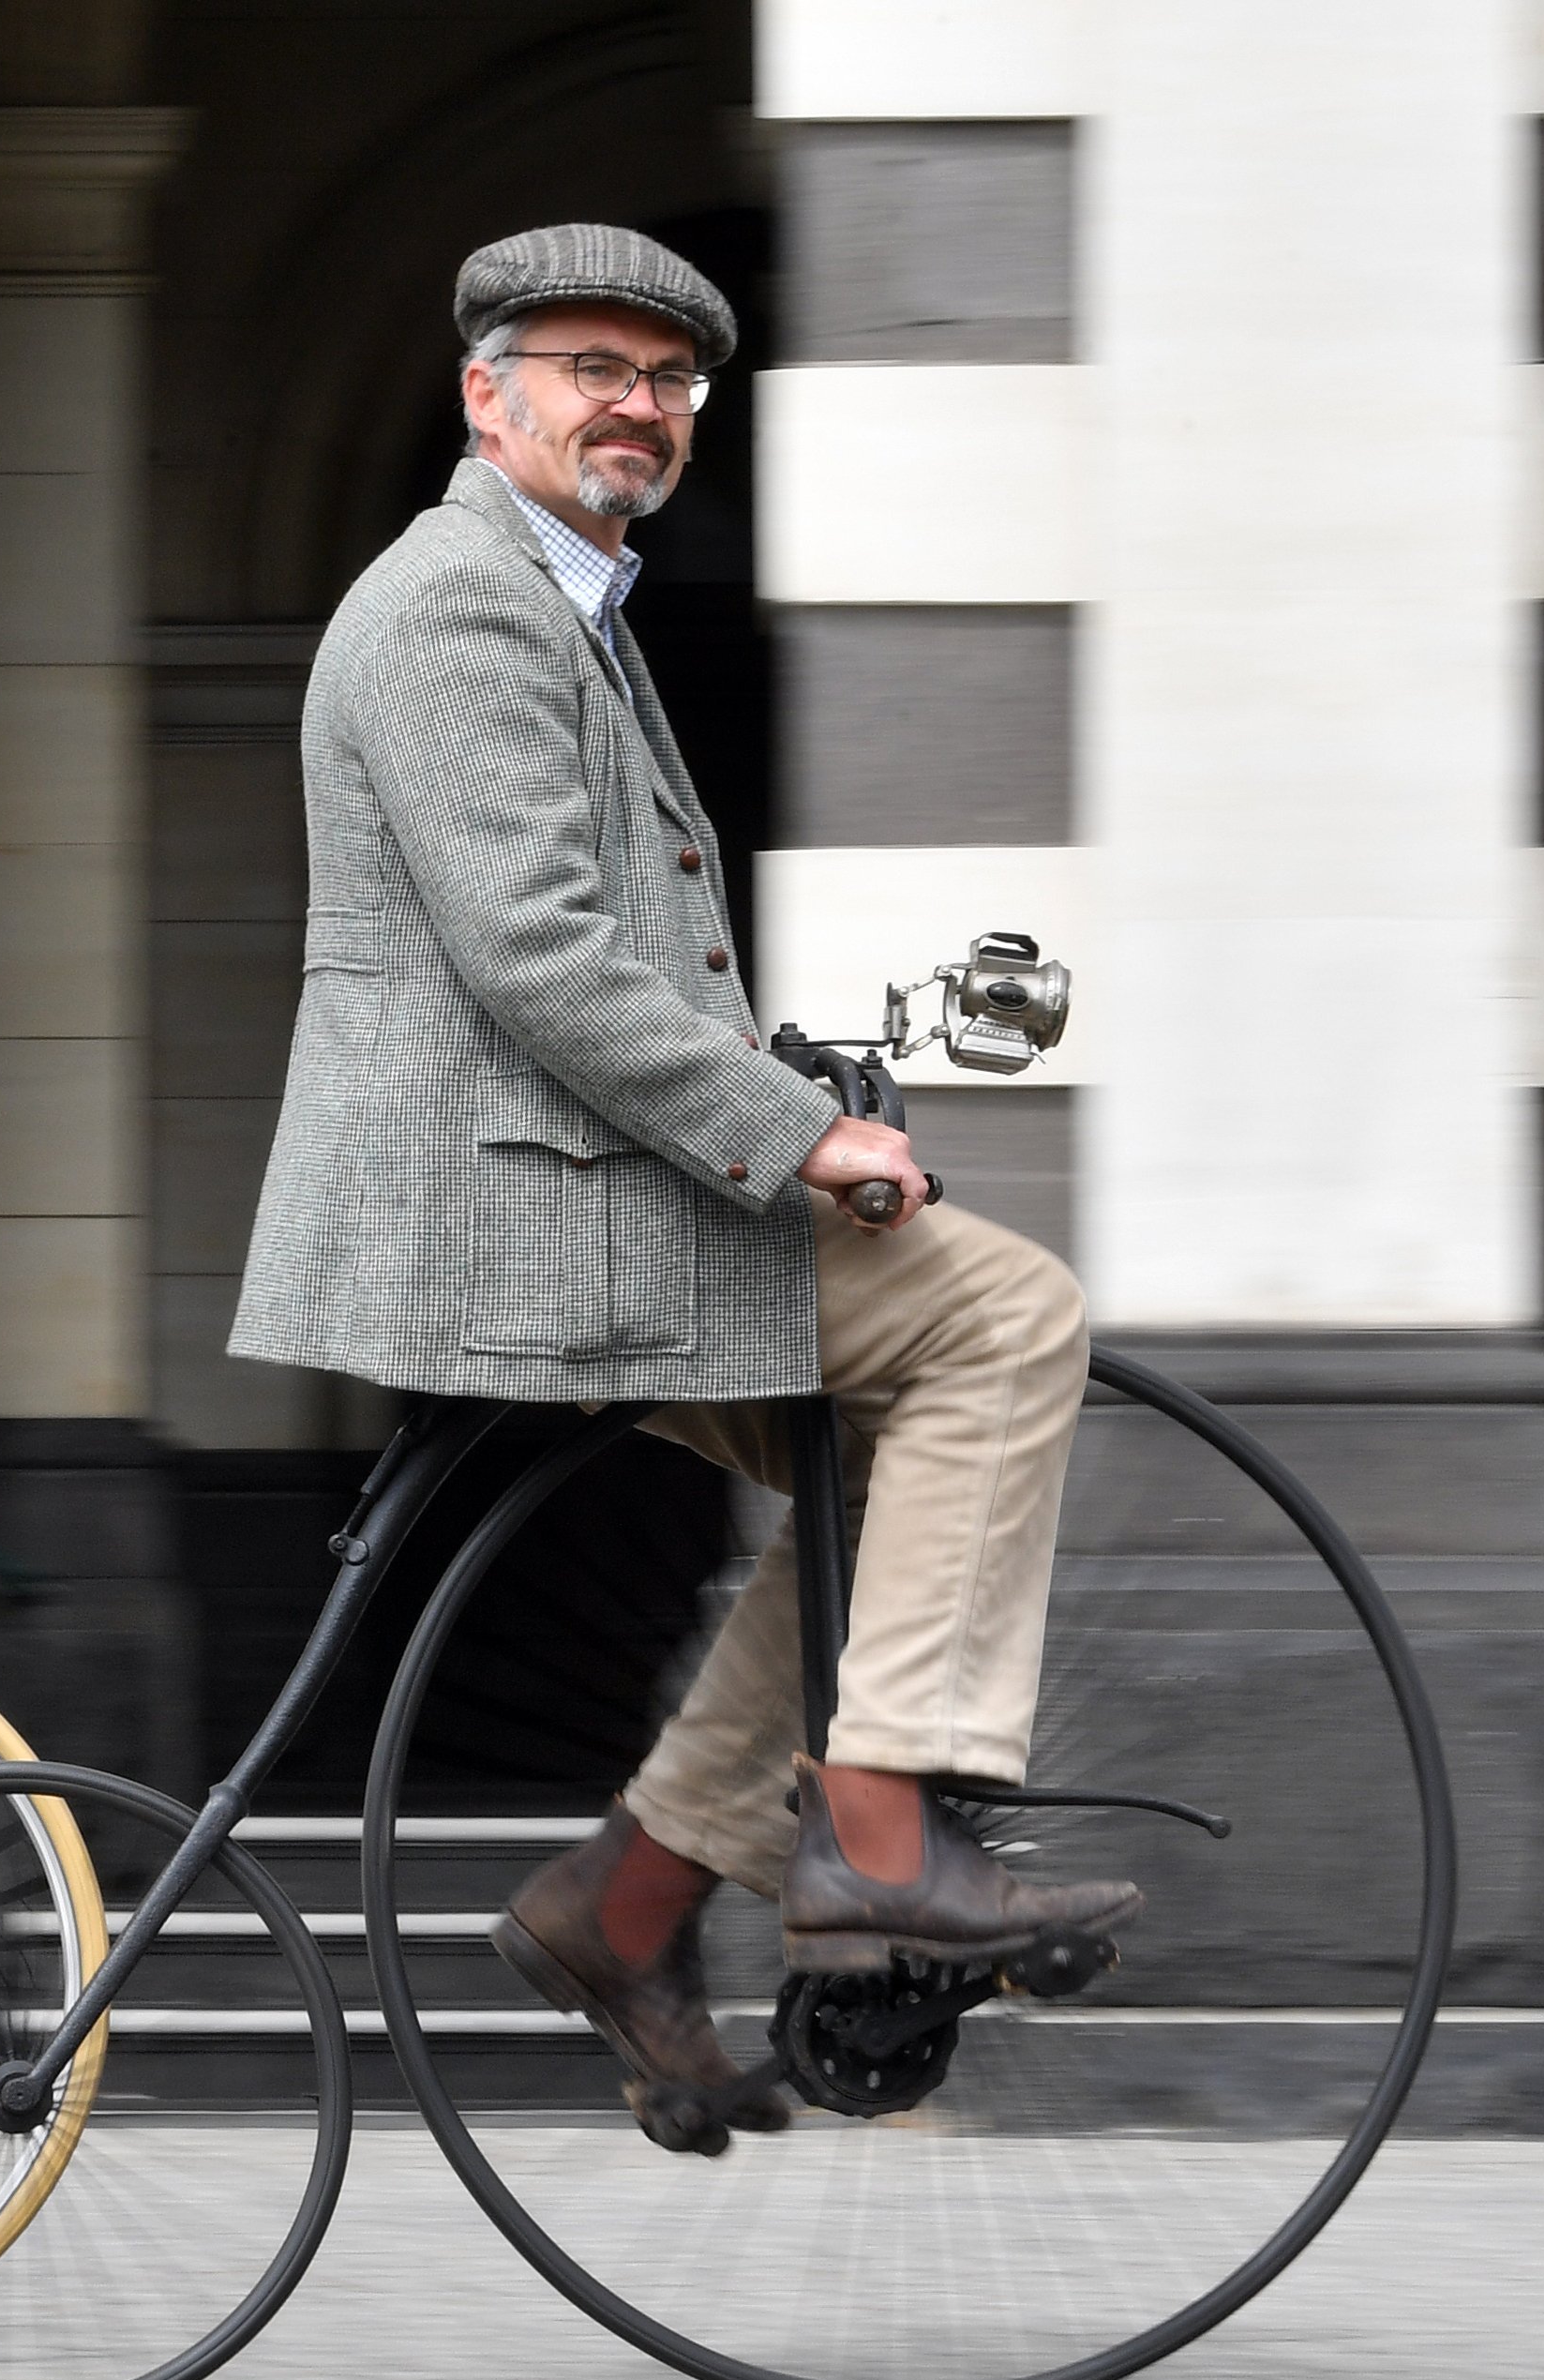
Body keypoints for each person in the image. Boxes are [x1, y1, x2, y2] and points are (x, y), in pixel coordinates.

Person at [230, 227, 1138, 2147]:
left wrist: (777, 1075)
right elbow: (538, 955)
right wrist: (793, 1132)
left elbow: (582, 953)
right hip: (522, 1214)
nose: (633, 407)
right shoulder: (462, 611)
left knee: (885, 1465)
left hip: (570, 1175)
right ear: (489, 395)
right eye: (588, 367)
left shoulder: (564, 605)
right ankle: (877, 1831)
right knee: (1003, 1315)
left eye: (668, 381)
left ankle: (627, 1903)